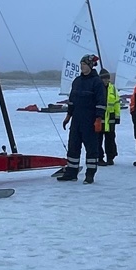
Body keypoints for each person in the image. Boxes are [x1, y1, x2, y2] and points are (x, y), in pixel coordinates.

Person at [55, 53, 105, 182]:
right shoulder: (77, 81)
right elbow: (72, 100)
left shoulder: (97, 82)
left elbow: (101, 102)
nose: (81, 67)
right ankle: (71, 172)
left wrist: (99, 119)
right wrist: (68, 115)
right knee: (73, 147)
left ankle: (90, 174)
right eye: (81, 65)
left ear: (90, 66)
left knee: (91, 148)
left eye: (84, 65)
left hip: (90, 121)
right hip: (76, 120)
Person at [102, 72, 123, 167]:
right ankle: (99, 157)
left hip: (110, 117)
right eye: (104, 79)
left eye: (107, 78)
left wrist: (117, 116)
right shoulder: (97, 88)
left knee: (110, 138)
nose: (106, 80)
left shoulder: (113, 88)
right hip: (100, 117)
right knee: (97, 139)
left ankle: (110, 157)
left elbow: (117, 103)